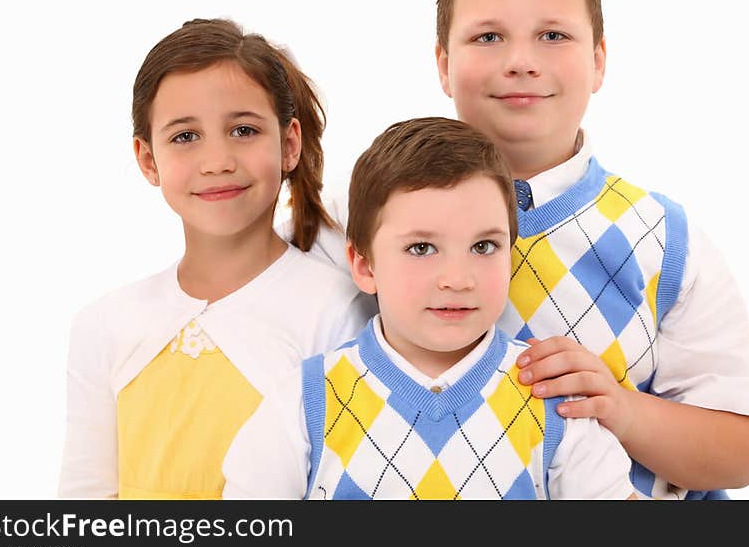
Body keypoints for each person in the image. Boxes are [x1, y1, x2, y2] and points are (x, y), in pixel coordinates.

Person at [431, 0, 749, 499]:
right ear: (443, 63)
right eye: (488, 37)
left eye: (553, 36)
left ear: (599, 61)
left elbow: (745, 452)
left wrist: (619, 408)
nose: (521, 61)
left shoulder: (662, 238)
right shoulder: (365, 222)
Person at [223, 117, 636, 499]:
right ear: (365, 266)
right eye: (421, 248)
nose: (457, 278)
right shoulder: (306, 399)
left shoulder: (554, 401)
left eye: (483, 247)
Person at [58, 18, 374, 499]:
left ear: (289, 144)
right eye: (186, 136)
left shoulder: (336, 310)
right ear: (148, 160)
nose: (217, 160)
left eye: (243, 130)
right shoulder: (104, 325)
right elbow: (83, 502)